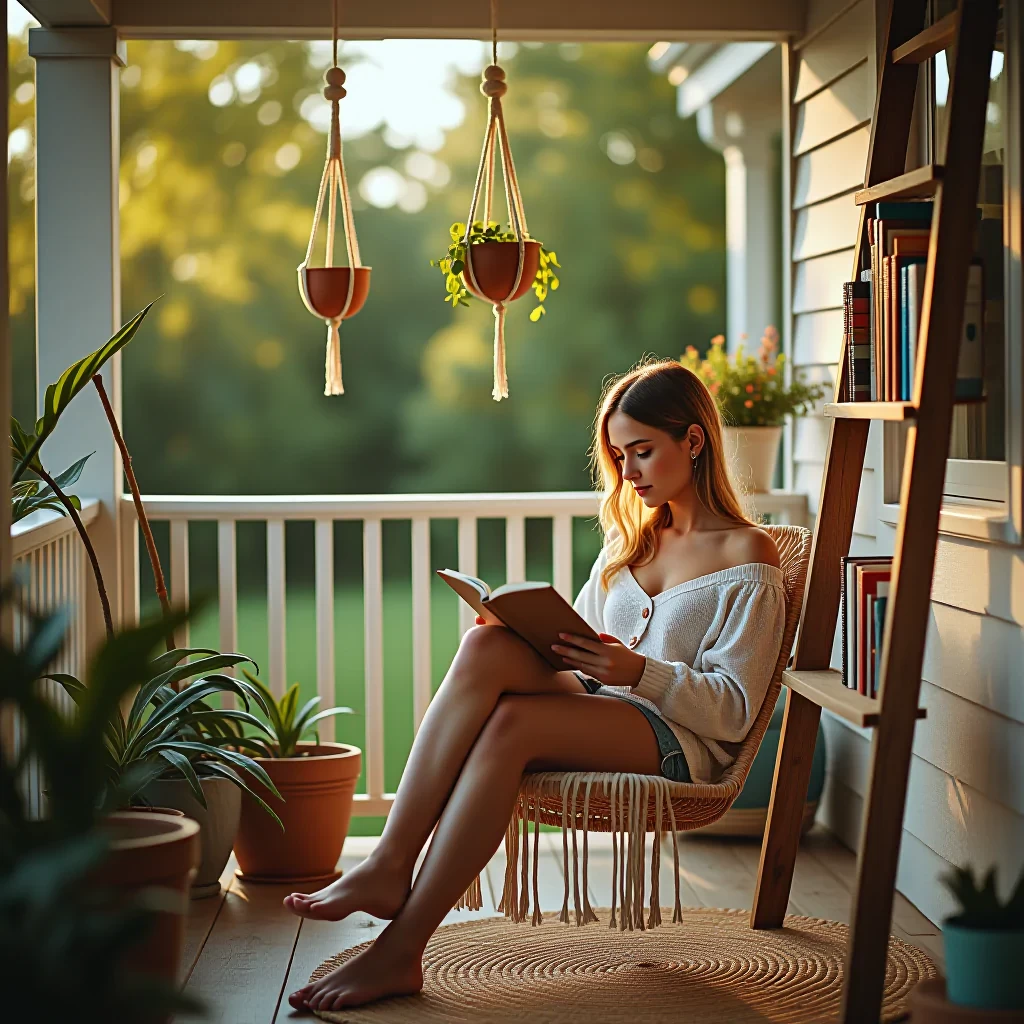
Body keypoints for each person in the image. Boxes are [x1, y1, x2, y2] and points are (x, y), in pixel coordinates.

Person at [285, 358, 786, 1013]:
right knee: (486, 644)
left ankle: (402, 946)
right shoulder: (630, 541)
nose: (628, 473)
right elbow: (583, 646)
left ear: (693, 441)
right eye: (617, 456)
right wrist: (527, 634)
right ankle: (388, 863)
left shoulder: (748, 557)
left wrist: (639, 672)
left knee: (511, 726)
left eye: (642, 452)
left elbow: (734, 711)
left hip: (677, 738)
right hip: (601, 704)